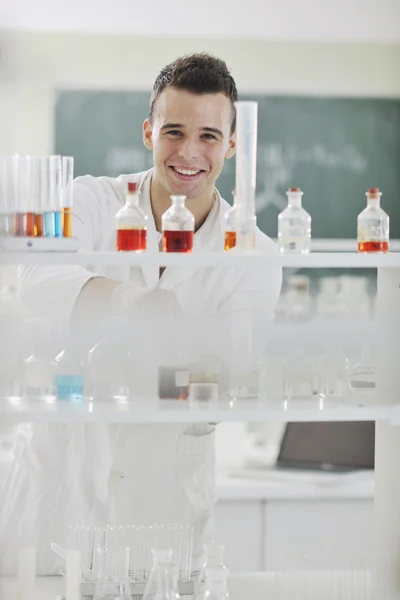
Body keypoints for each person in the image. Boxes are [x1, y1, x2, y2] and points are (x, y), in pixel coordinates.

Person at [0, 53, 282, 575]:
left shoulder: (255, 255)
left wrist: (149, 351)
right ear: (149, 131)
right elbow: (37, 280)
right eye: (174, 131)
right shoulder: (89, 200)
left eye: (210, 137)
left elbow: (229, 373)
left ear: (234, 144)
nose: (190, 153)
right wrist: (132, 303)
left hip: (161, 511)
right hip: (55, 497)